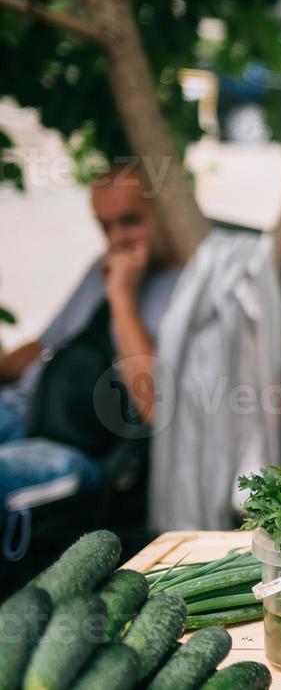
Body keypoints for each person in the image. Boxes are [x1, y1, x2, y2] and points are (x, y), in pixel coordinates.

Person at [0, 161, 182, 507]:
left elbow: (156, 405)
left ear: (168, 210)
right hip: (22, 407)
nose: (117, 239)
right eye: (105, 226)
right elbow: (44, 347)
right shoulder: (104, 266)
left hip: (80, 444)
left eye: (131, 221)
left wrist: (122, 297)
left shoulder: (190, 286)